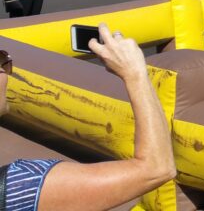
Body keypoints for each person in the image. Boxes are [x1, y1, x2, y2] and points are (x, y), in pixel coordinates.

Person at [0, 24, 177, 210]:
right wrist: (135, 73)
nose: (8, 70)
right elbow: (157, 169)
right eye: (1, 60)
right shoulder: (23, 187)